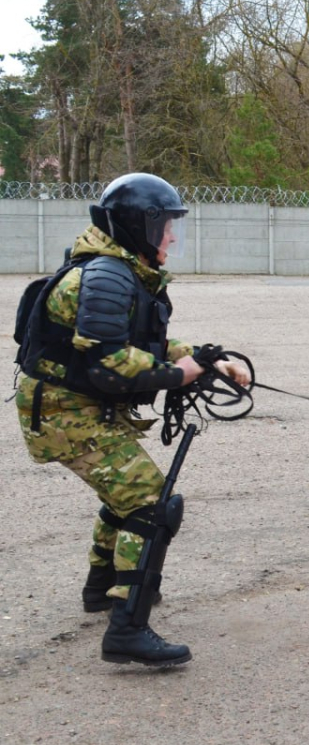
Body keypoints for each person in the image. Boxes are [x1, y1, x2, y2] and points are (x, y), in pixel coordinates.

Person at [13, 173, 251, 668]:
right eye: (164, 225)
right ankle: (127, 629)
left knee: (125, 498)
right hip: (65, 413)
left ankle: (101, 590)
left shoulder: (122, 271)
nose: (170, 236)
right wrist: (178, 374)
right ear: (134, 226)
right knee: (150, 504)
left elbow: (144, 345)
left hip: (79, 406)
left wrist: (210, 361)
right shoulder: (104, 277)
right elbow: (110, 365)